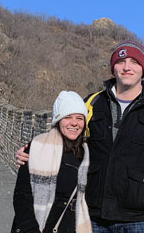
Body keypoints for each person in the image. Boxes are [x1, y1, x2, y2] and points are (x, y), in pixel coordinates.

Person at [16, 40, 144, 232]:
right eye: (121, 61)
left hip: (140, 219)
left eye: (134, 62)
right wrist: (32, 150)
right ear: (113, 68)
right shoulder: (92, 103)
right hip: (92, 215)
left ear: (143, 69)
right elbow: (65, 132)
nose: (127, 67)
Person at [12, 91, 92, 233]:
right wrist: (30, 228)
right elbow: (22, 194)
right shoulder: (38, 147)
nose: (74, 123)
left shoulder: (87, 154)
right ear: (57, 120)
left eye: (79, 118)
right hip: (39, 226)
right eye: (67, 117)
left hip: (72, 226)